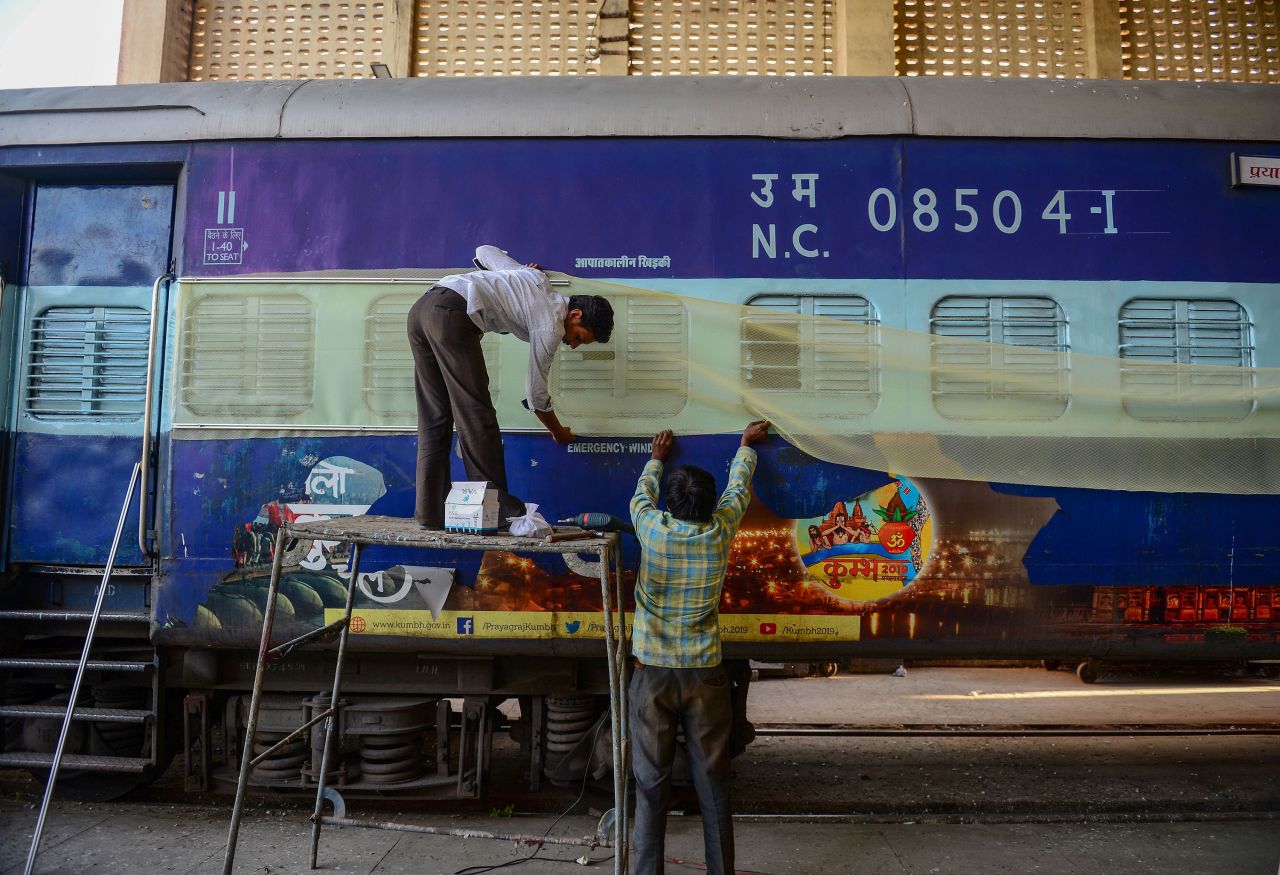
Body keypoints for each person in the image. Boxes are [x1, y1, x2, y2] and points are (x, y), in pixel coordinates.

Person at [628, 420, 771, 875]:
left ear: (671, 504)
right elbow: (737, 491)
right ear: (708, 506)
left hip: (652, 674)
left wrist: (656, 457)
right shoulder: (718, 533)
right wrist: (746, 446)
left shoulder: (651, 529)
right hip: (706, 675)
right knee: (713, 783)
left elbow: (639, 497)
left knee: (650, 785)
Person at [407, 245, 614, 528]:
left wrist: (519, 270)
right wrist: (559, 431)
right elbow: (536, 394)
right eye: (579, 337)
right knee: (475, 414)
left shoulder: (535, 279)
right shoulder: (551, 326)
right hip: (452, 317)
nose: (573, 344)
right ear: (575, 314)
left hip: (421, 310)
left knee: (434, 418)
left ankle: (429, 513)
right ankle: (500, 512)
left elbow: (484, 252)